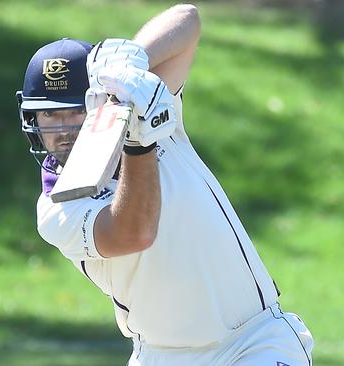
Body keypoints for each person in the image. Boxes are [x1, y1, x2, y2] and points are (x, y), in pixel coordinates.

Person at [16, 4, 313, 366]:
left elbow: (187, 20)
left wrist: (133, 61)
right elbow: (134, 233)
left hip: (253, 341)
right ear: (32, 119)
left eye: (74, 110)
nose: (62, 129)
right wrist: (140, 144)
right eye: (49, 114)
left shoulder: (146, 111)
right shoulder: (56, 209)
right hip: (161, 357)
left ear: (98, 102)